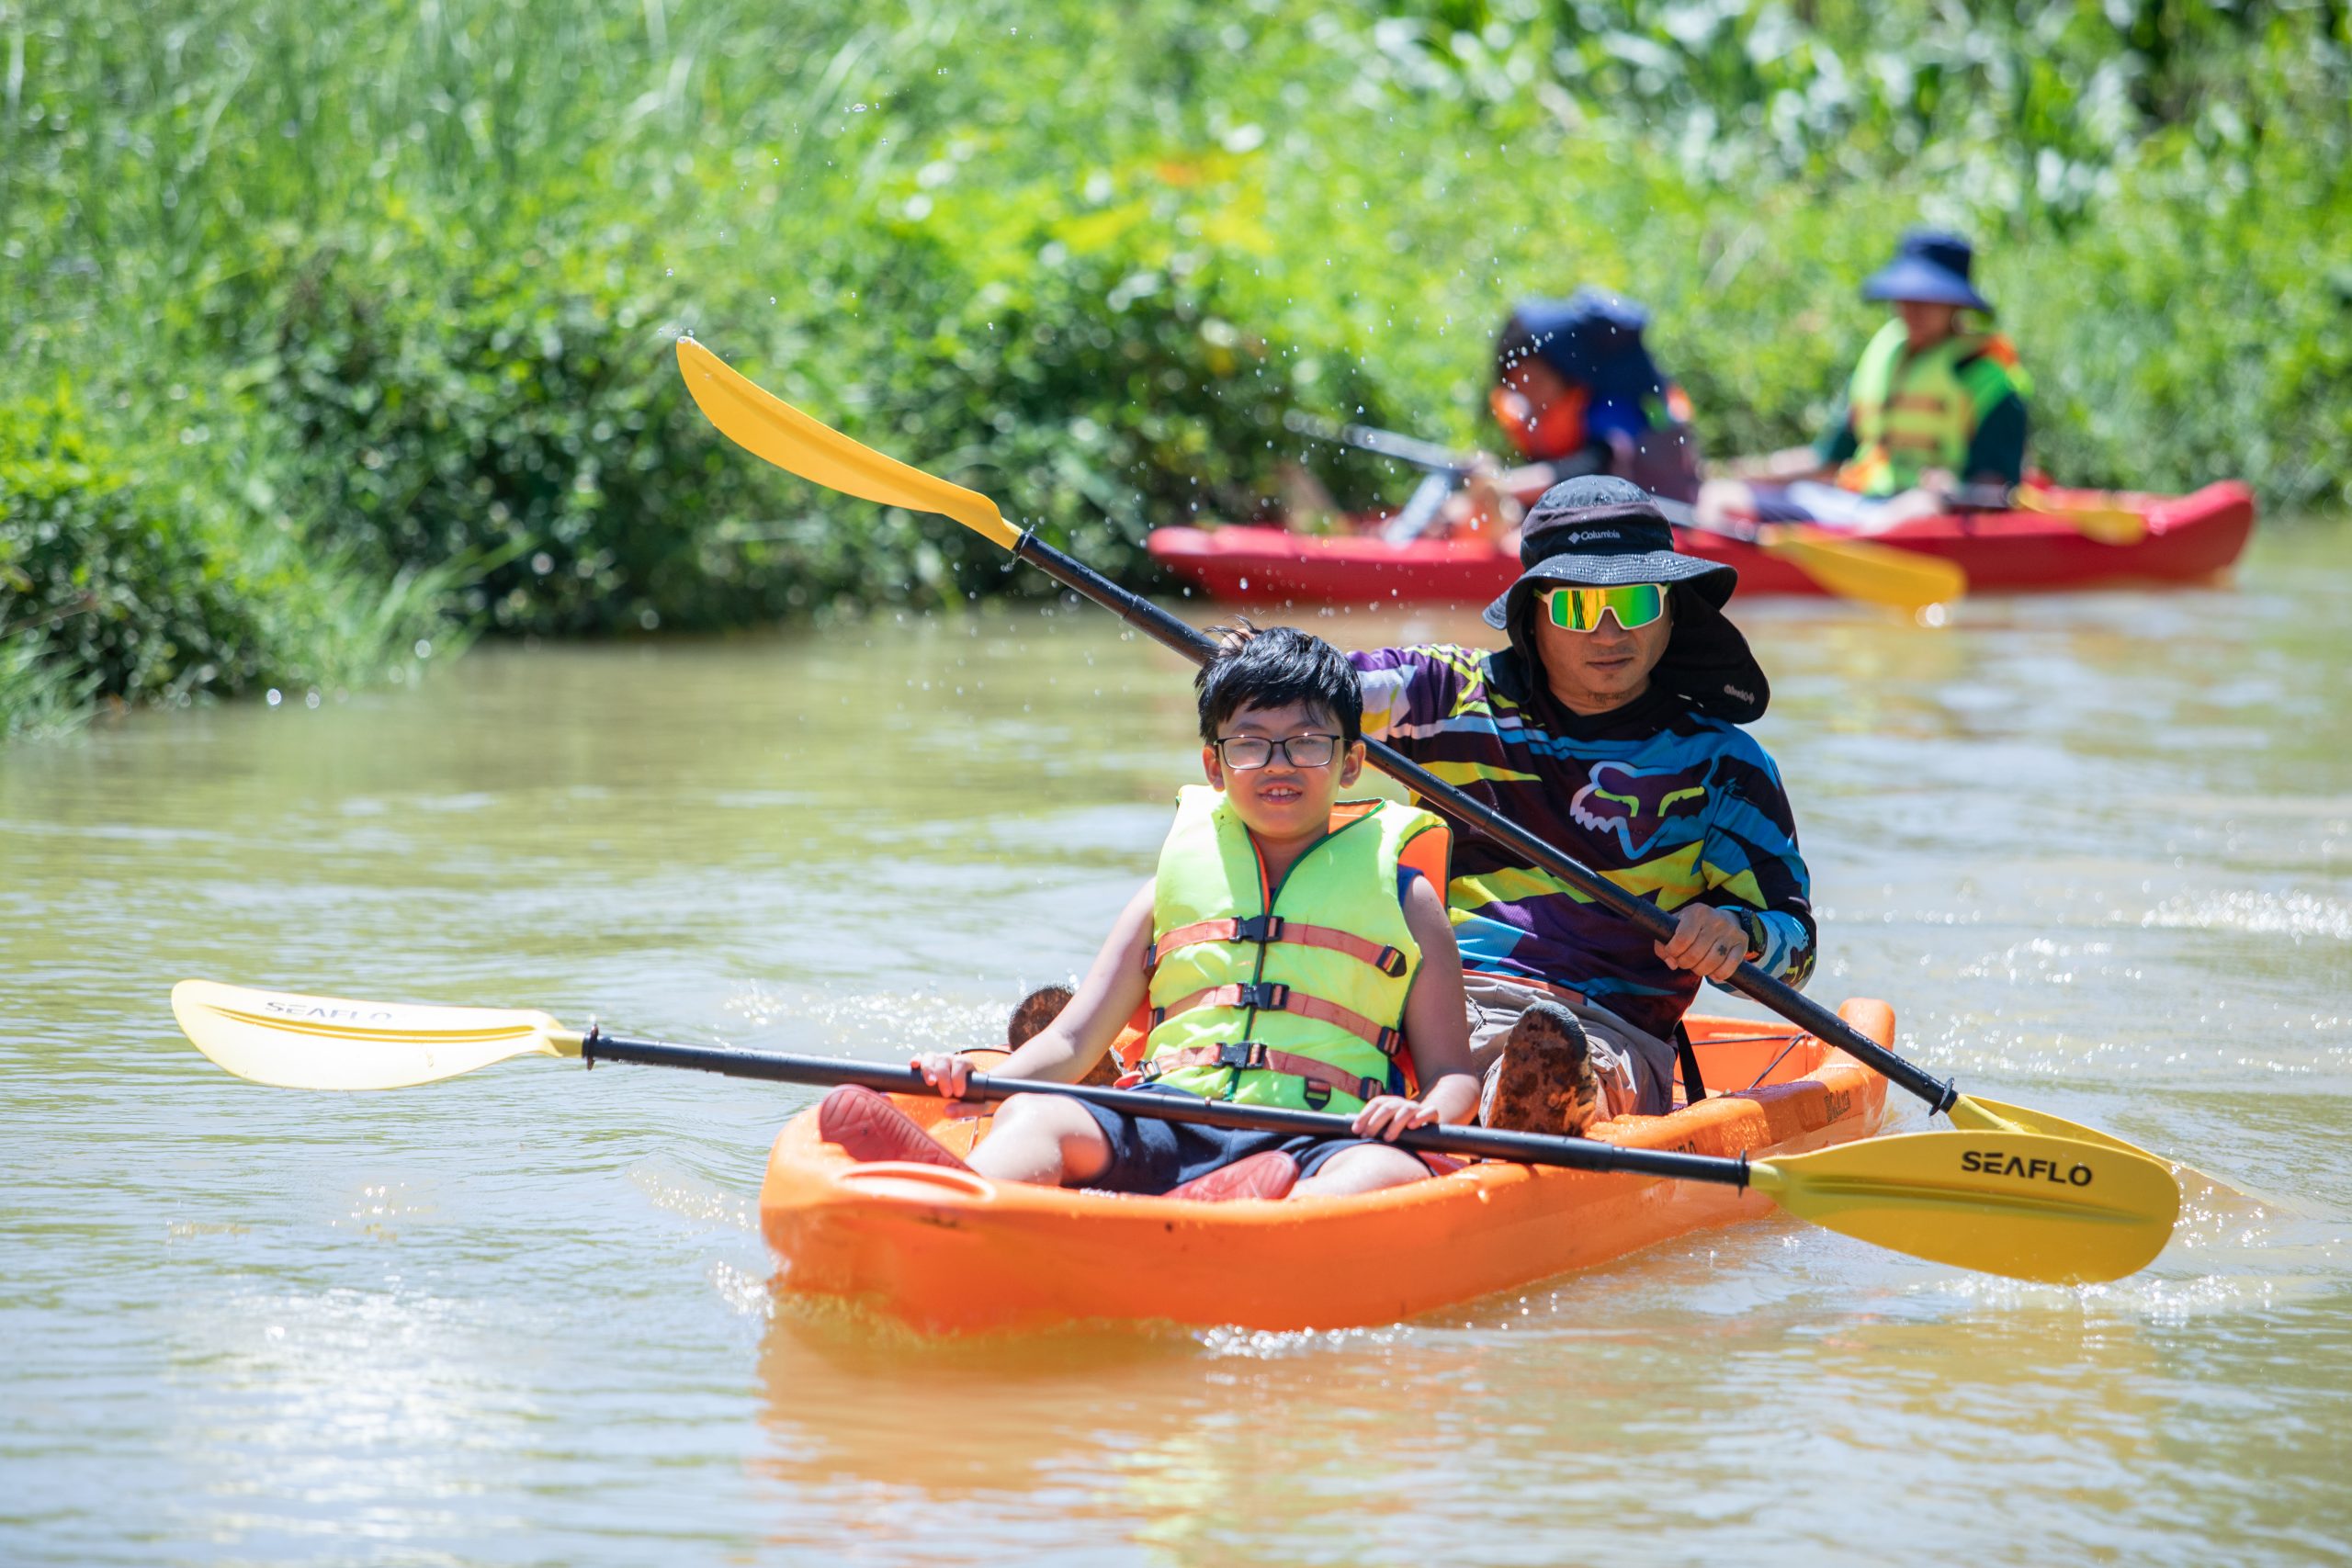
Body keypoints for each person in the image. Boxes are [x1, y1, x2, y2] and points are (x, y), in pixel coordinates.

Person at [818, 626, 1482, 1201]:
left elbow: (1454, 1072)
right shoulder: (1165, 890)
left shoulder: (1408, 899)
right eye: (1250, 744)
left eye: (1308, 743)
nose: (1279, 764)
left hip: (1321, 1136)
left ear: (1351, 763)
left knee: (1387, 1169)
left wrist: (1421, 1111)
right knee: (1035, 1117)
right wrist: (976, 1083)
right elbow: (1073, 1041)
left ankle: (1261, 1213)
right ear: (1214, 767)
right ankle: (959, 1192)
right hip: (1166, 1118)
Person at [1351, 476, 1816, 1133]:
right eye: (1576, 608)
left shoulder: (1724, 767)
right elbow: (1330, 689)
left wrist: (1738, 934)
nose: (1608, 632)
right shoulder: (1447, 697)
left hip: (1604, 1033)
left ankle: (1534, 1101)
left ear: (1672, 610)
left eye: (1634, 603)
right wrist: (1258, 672)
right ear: (1532, 615)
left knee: (1554, 1057)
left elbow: (1796, 949)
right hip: (1426, 1004)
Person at [1701, 230, 2031, 531]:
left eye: (1928, 298)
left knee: (1916, 508)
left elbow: (1995, 489)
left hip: (1924, 512)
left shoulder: (1990, 380)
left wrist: (1952, 491)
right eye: (1905, 295)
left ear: (1956, 305)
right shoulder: (1882, 359)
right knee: (1721, 498)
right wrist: (1735, 471)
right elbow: (1826, 460)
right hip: (1858, 503)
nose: (1912, 309)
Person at [1455, 288, 1702, 536]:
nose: (1526, 394)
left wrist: (1505, 484)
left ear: (1565, 373)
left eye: (1535, 382)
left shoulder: (1613, 407)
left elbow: (1591, 469)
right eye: (1518, 384)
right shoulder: (1543, 409)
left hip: (1654, 529)